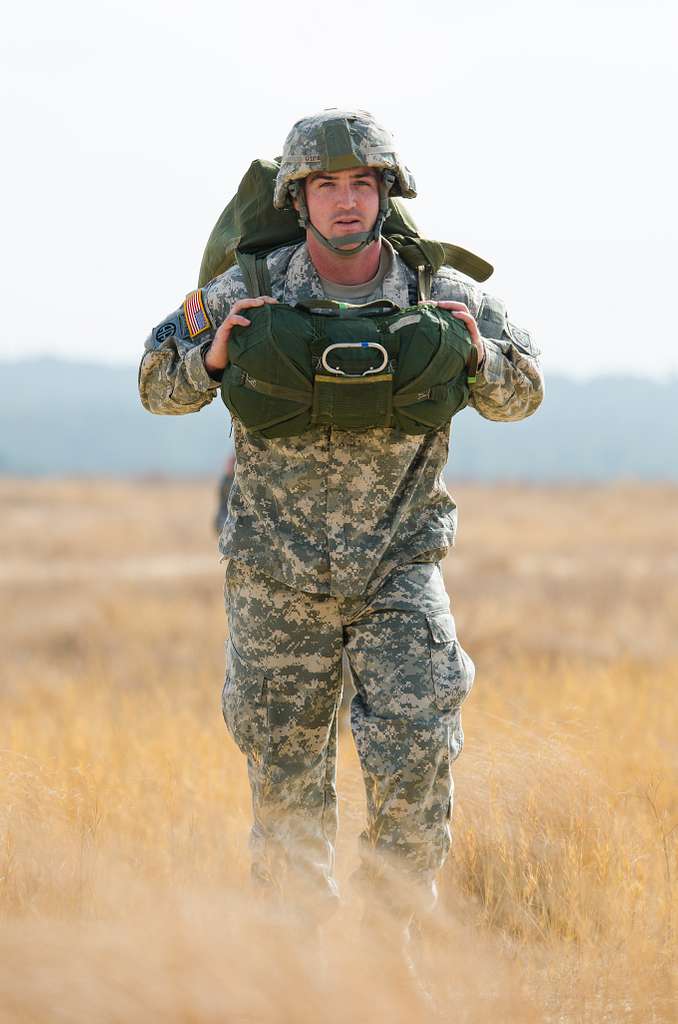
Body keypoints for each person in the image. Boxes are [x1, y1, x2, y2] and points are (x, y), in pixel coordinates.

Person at [139, 109, 543, 929]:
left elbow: (523, 394)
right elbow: (155, 384)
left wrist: (479, 358)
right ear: (298, 198)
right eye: (326, 185)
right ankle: (303, 976)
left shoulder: (444, 294)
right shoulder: (247, 289)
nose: (347, 201)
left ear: (388, 192)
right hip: (275, 577)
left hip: (400, 568)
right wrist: (210, 358)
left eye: (362, 182)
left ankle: (392, 948)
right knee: (285, 786)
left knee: (418, 756)